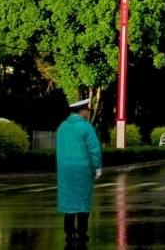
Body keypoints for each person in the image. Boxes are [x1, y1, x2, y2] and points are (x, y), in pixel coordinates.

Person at [57, 98, 102, 247]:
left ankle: (69, 233)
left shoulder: (62, 127)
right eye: (87, 111)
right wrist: (97, 167)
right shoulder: (86, 127)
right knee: (83, 200)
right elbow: (93, 149)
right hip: (82, 168)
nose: (88, 114)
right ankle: (82, 233)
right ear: (82, 112)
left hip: (65, 169)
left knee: (68, 200)